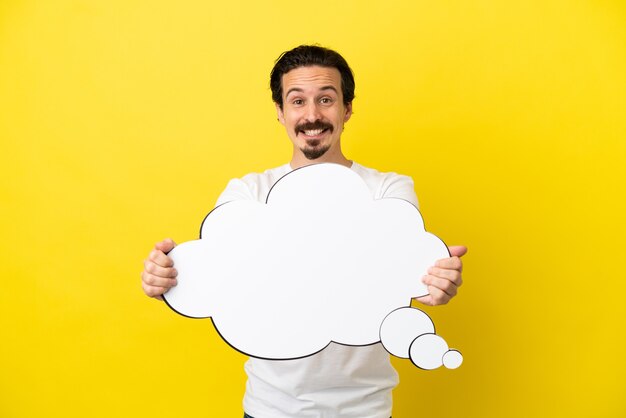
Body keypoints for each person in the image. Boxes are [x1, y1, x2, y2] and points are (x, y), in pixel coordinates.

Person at [141, 45, 466, 418]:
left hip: (366, 410)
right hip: (270, 409)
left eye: (326, 99)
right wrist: (167, 277)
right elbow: (220, 279)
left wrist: (433, 284)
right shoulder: (248, 194)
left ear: (347, 109)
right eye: (297, 101)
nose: (312, 115)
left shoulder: (388, 191)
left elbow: (401, 276)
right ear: (280, 112)